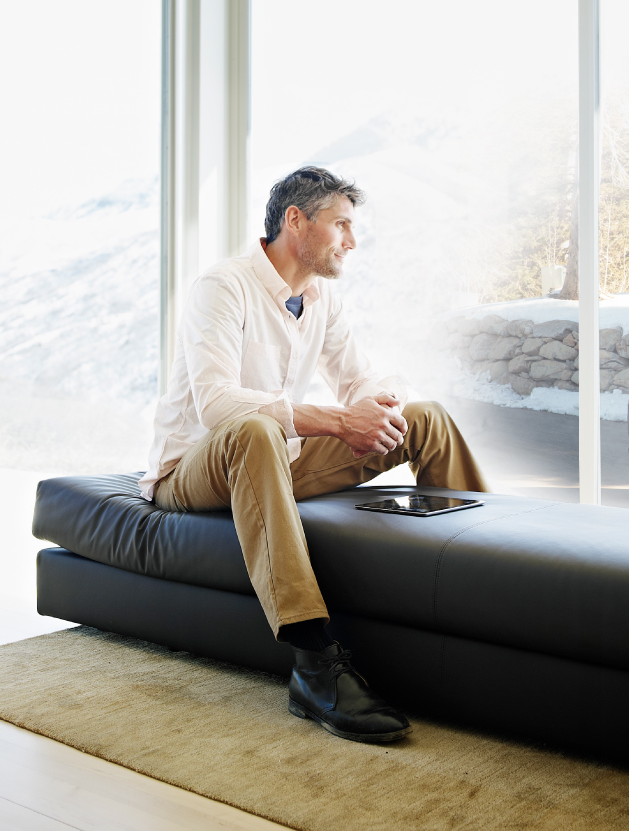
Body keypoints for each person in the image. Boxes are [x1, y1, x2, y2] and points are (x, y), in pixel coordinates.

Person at [140, 166, 488, 743]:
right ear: (294, 220)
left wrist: (381, 406)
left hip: (278, 461)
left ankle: (484, 575)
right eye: (342, 225)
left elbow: (361, 382)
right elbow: (217, 405)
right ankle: (314, 663)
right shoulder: (223, 287)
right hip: (194, 469)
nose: (352, 241)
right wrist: (340, 420)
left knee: (424, 418)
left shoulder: (322, 297)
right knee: (255, 429)